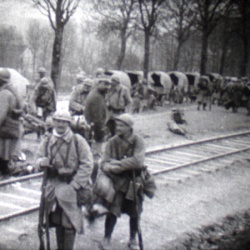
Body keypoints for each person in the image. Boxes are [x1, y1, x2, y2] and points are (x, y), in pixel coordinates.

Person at [36, 110, 93, 250]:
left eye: (64, 121)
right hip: (53, 184)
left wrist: (75, 185)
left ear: (69, 123)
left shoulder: (78, 140)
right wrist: (41, 162)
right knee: (56, 220)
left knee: (69, 222)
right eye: (58, 121)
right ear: (53, 122)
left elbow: (87, 164)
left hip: (71, 184)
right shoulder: (47, 140)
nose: (61, 124)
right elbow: (37, 159)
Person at [100, 113, 146, 250]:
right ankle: (106, 238)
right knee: (113, 210)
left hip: (134, 181)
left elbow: (138, 161)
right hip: (117, 182)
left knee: (135, 211)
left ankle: (133, 239)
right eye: (117, 125)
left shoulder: (138, 141)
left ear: (129, 127)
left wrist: (118, 164)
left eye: (121, 125)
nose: (118, 128)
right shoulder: (112, 142)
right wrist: (109, 167)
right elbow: (104, 162)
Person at [0, 68, 23, 176]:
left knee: (3, 154)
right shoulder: (13, 91)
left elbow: (1, 114)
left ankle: (5, 174)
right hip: (12, 128)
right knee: (6, 154)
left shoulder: (4, 93)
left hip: (4, 129)